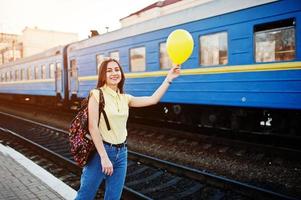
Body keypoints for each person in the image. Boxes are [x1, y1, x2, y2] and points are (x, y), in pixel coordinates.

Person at [75, 58, 180, 200]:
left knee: (113, 197)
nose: (114, 73)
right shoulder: (97, 94)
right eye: (109, 70)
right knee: (85, 196)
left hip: (121, 154)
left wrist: (169, 79)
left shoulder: (125, 98)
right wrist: (104, 158)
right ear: (103, 75)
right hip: (101, 154)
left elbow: (153, 99)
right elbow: (93, 127)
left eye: (117, 70)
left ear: (121, 74)